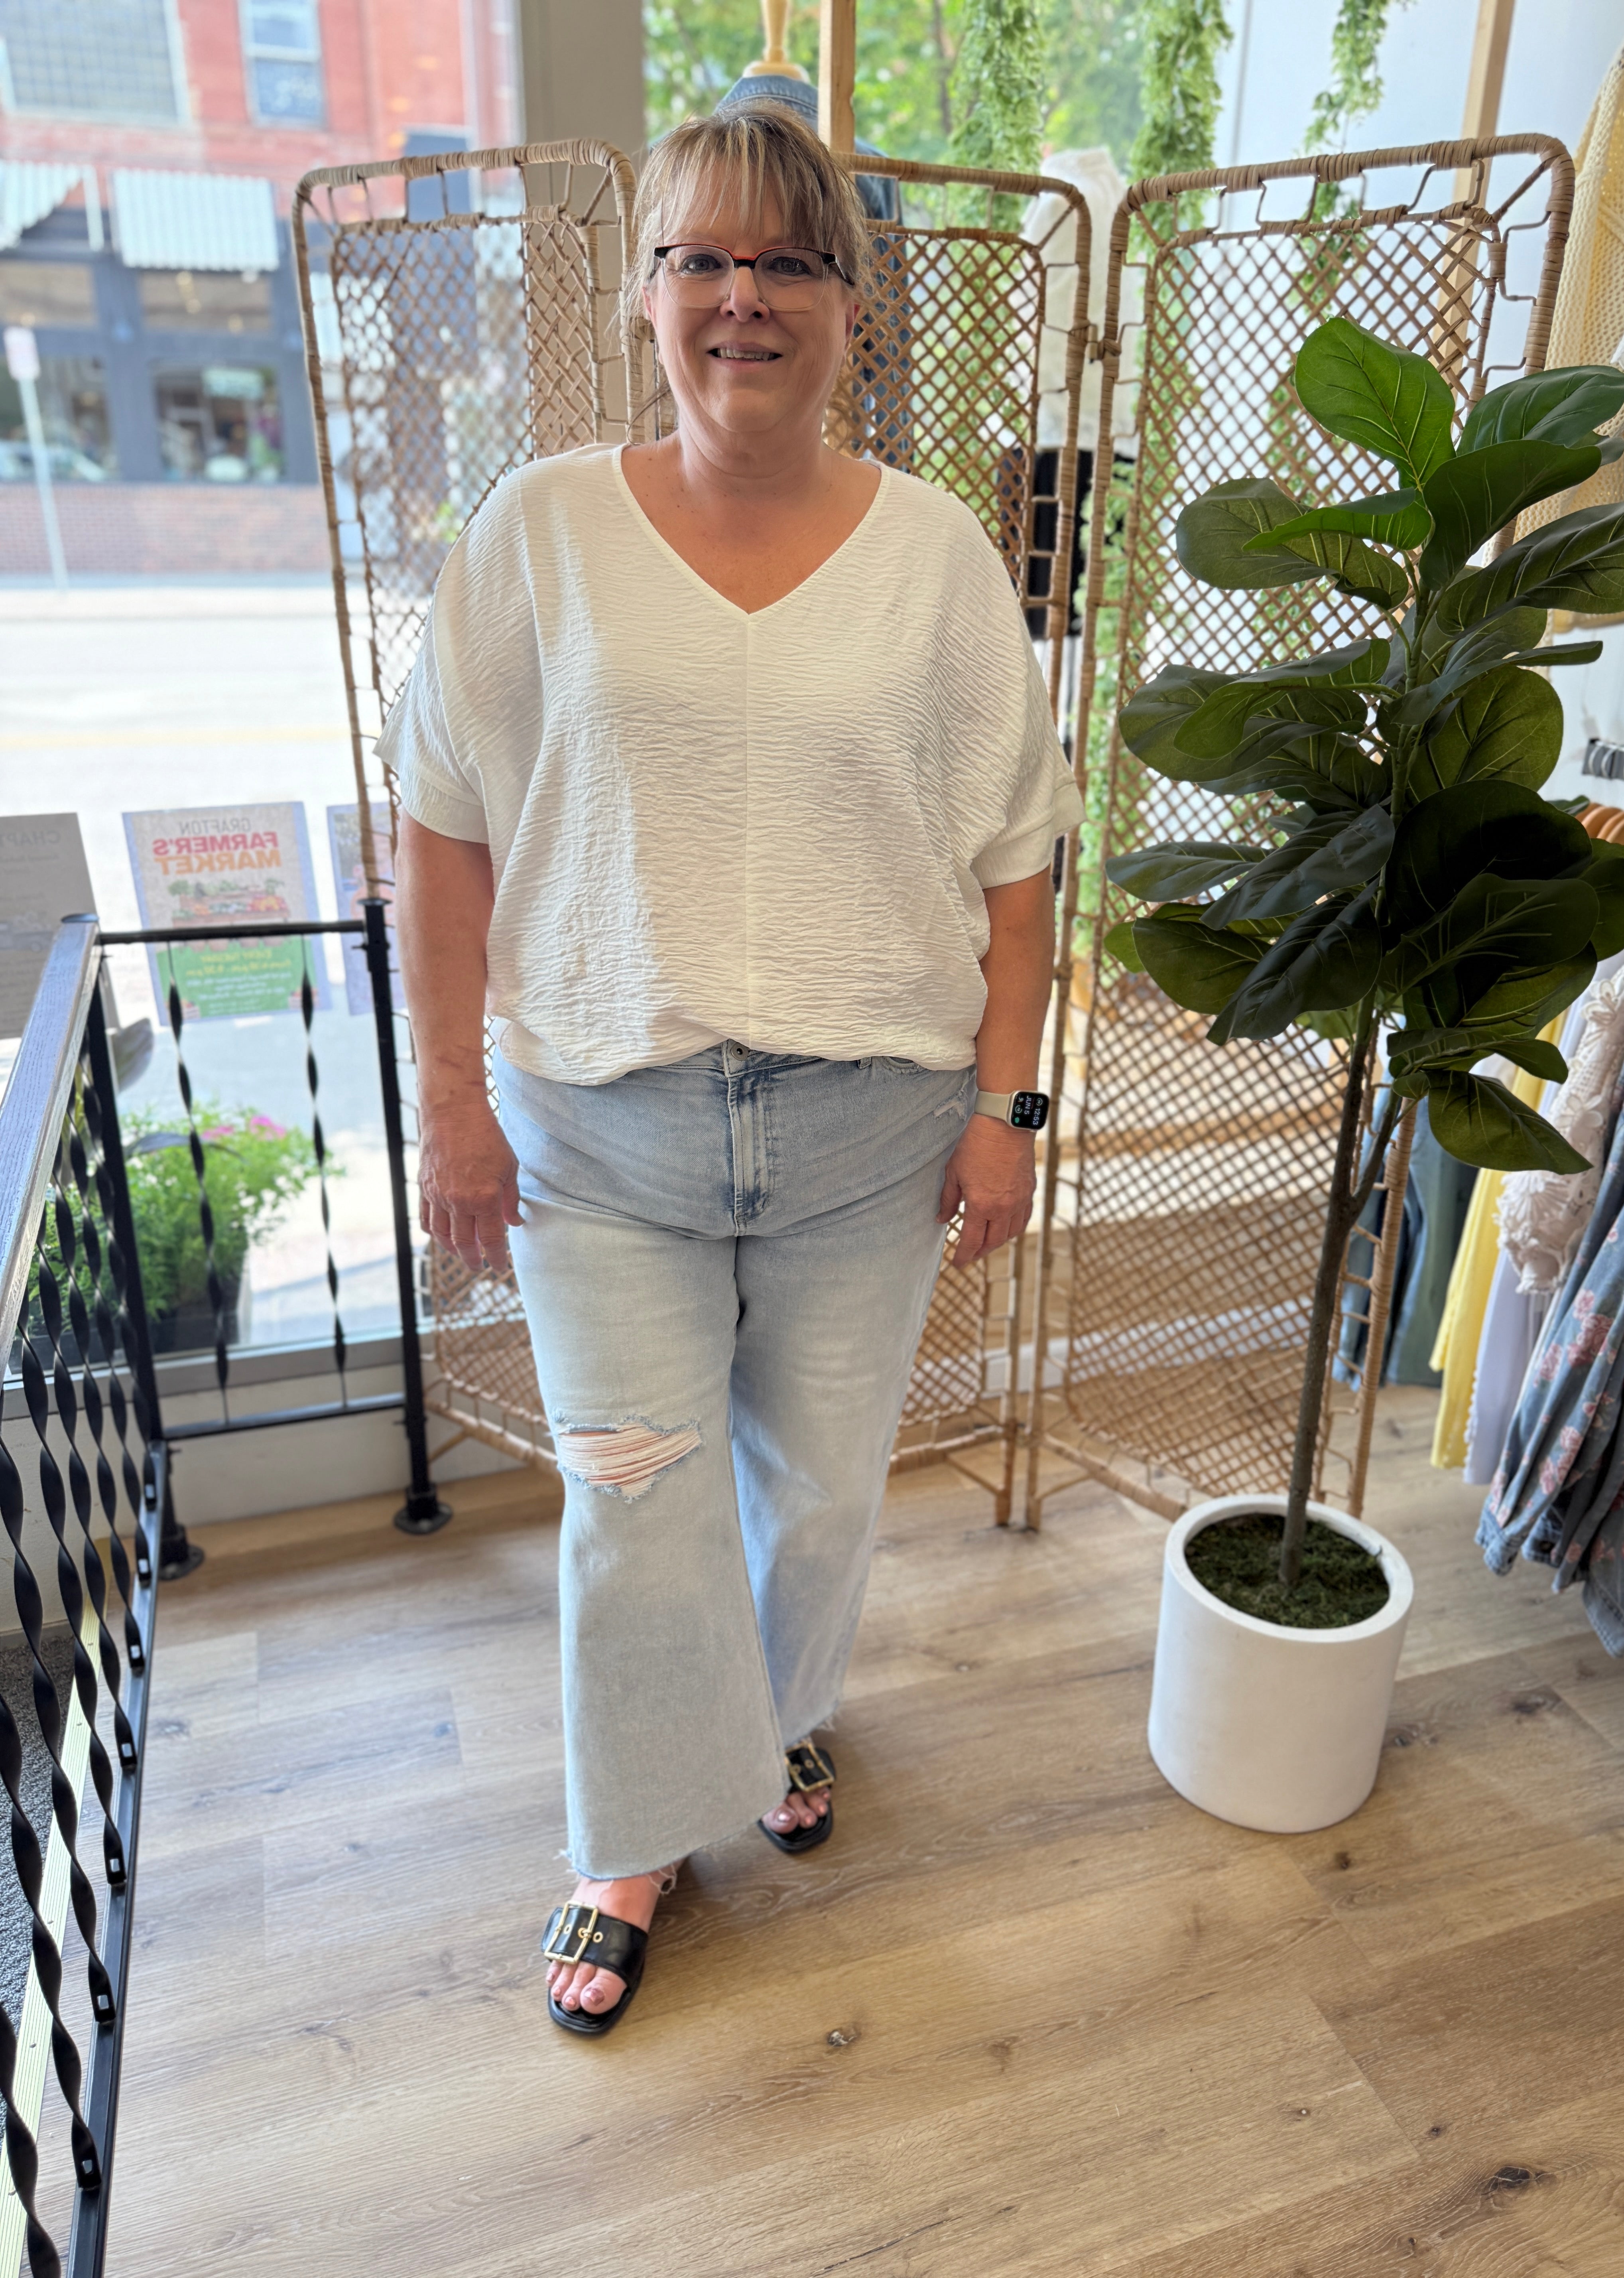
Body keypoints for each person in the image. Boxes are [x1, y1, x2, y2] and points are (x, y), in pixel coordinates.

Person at [389, 101, 1081, 2038]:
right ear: (644, 296)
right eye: (704, 257)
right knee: (637, 1487)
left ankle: (777, 1719)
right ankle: (632, 1831)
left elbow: (1023, 859)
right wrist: (451, 1095)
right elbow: (438, 831)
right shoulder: (538, 534)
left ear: (850, 312)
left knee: (824, 1489)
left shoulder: (940, 560)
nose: (743, 299)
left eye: (789, 263)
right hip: (603, 1130)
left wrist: (1011, 1104)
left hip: (876, 1129)